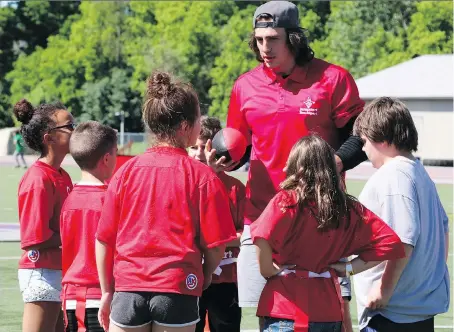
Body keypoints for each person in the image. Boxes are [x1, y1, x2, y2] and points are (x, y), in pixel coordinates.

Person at [205, 1, 367, 330]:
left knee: (331, 309)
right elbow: (243, 148)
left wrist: (331, 164)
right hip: (263, 217)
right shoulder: (244, 85)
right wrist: (225, 161)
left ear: (293, 38)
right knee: (269, 312)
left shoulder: (332, 78)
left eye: (274, 38)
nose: (265, 47)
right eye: (259, 39)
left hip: (321, 216)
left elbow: (360, 139)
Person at [95, 72, 237, 332]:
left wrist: (106, 292)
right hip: (178, 288)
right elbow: (216, 246)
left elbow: (104, 238)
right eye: (197, 119)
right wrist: (205, 277)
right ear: (185, 126)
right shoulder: (202, 176)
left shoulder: (125, 172)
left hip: (128, 288)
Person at [250, 134, 405, 332]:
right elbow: (391, 244)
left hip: (285, 306)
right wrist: (348, 268)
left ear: (299, 167)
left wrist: (268, 270)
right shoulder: (348, 208)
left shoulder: (286, 201)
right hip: (328, 310)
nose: (283, 168)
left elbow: (260, 236)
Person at [352, 97, 450, 332]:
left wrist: (384, 289)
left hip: (392, 312)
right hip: (416, 306)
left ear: (382, 139)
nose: (363, 149)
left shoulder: (393, 174)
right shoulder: (418, 172)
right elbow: (444, 233)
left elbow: (402, 240)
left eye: (364, 141)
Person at [13, 98, 75, 332]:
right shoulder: (38, 178)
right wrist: (75, 235)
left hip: (58, 271)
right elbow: (34, 238)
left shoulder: (62, 175)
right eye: (69, 126)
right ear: (49, 137)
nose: (74, 131)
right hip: (42, 273)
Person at [60, 121, 118, 332]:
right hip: (103, 296)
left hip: (71, 297)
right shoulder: (109, 199)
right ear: (106, 158)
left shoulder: (69, 198)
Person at [188, 116, 244, 332]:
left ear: (218, 147)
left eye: (204, 146)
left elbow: (245, 233)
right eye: (193, 147)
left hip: (226, 278)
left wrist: (217, 241)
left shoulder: (235, 188)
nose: (199, 153)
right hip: (192, 274)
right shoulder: (183, 185)